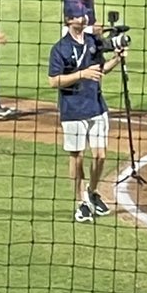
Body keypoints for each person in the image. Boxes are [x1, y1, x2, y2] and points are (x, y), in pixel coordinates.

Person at [48, 14, 113, 223]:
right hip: (73, 110)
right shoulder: (60, 48)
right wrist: (81, 75)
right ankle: (81, 202)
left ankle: (92, 192)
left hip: (96, 106)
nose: (83, 19)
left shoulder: (93, 41)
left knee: (100, 155)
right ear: (68, 20)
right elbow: (53, 81)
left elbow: (101, 70)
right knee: (77, 158)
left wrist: (118, 58)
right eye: (77, 16)